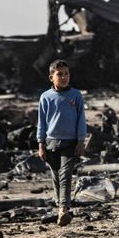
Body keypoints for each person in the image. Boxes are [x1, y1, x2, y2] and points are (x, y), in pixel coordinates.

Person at [37, 60, 87, 226]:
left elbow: (81, 120)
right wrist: (41, 144)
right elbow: (41, 122)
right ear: (51, 77)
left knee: (65, 175)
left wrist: (81, 141)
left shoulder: (75, 95)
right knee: (56, 176)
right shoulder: (46, 97)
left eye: (67, 74)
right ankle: (60, 207)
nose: (64, 77)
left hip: (70, 142)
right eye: (60, 74)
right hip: (51, 142)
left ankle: (64, 209)